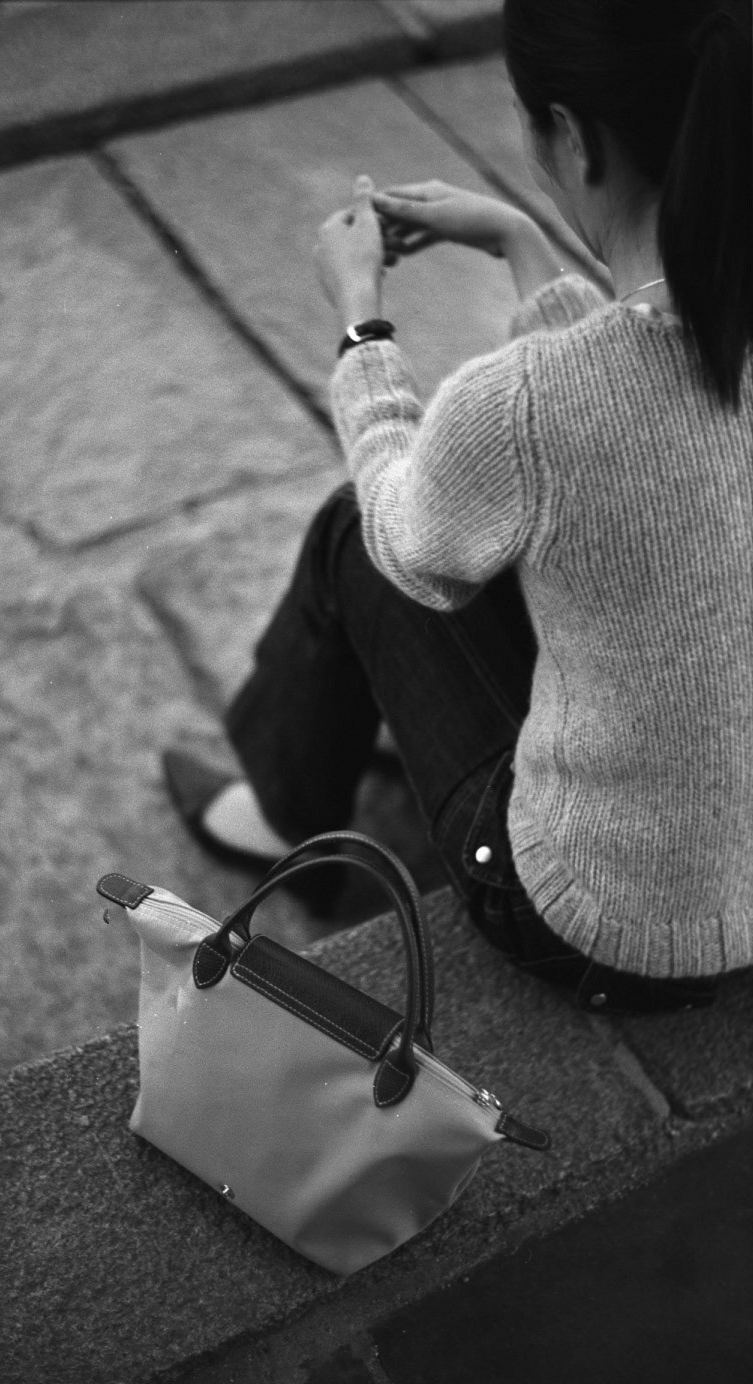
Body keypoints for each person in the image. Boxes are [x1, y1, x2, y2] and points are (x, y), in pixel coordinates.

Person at [164, 0, 753, 1014]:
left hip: (594, 919)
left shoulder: (523, 404)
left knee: (354, 530)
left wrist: (361, 328)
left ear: (570, 137)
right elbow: (641, 435)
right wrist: (524, 244)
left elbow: (408, 543)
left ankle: (284, 812)